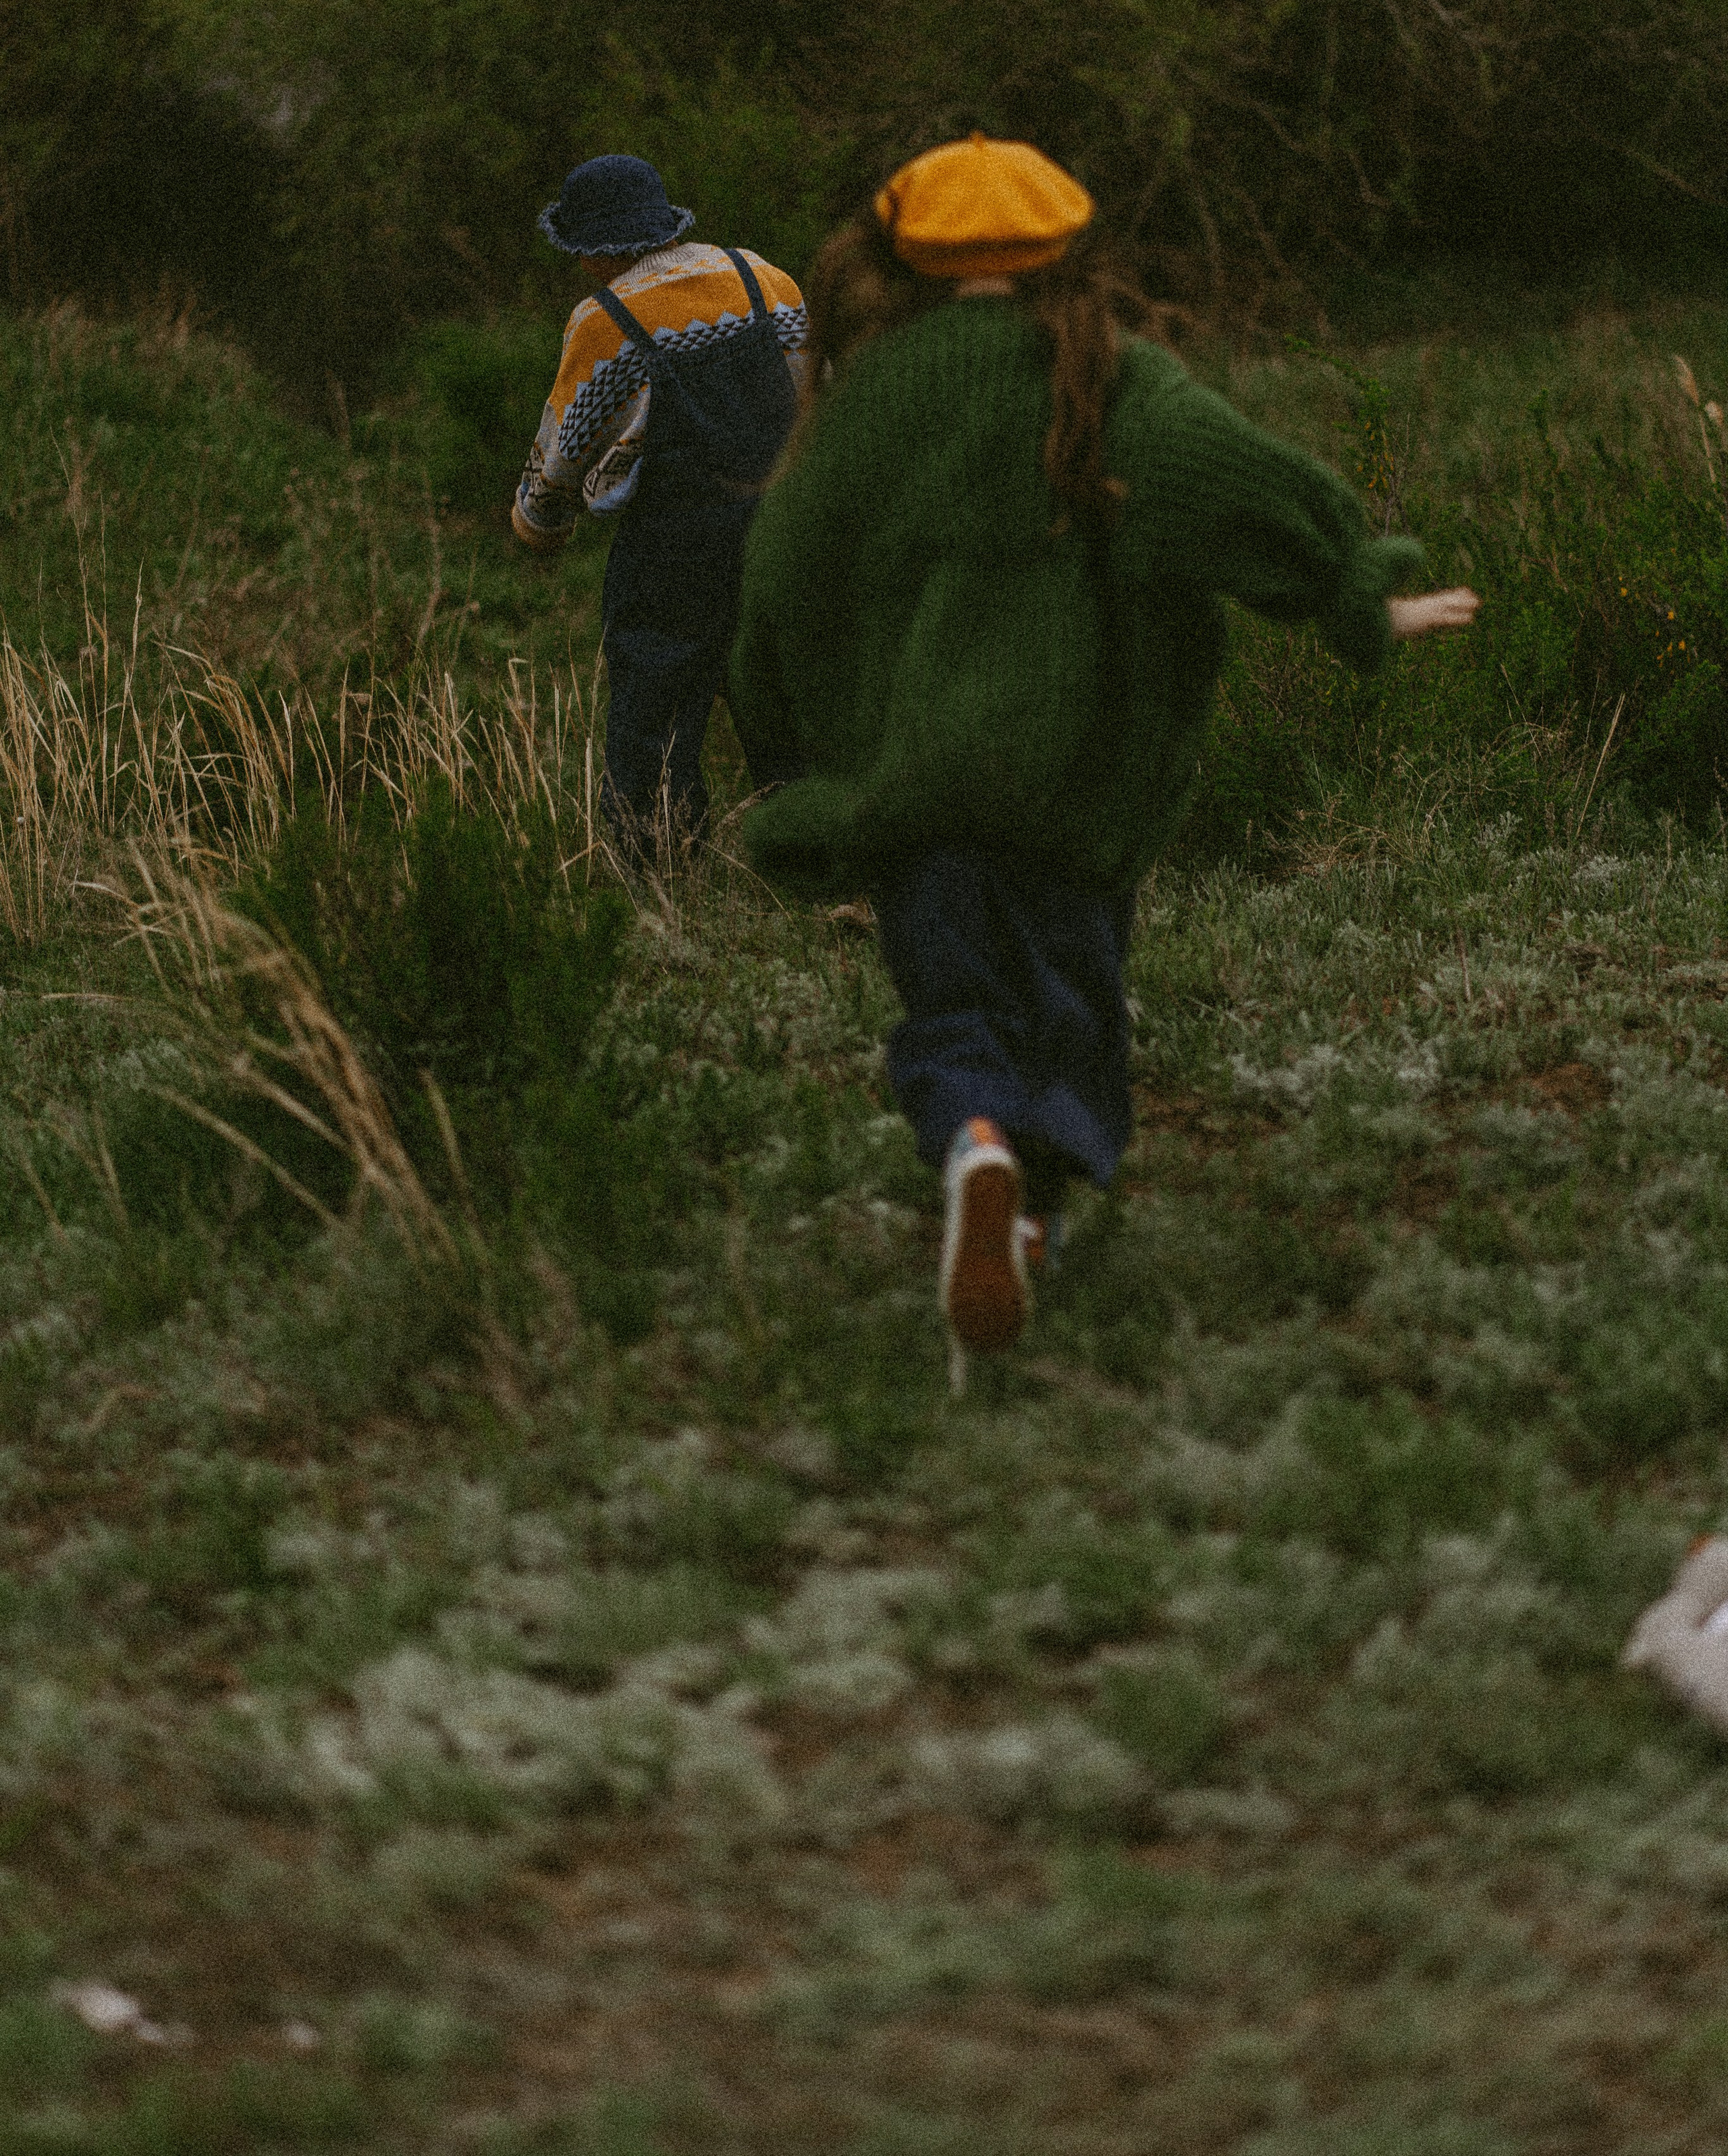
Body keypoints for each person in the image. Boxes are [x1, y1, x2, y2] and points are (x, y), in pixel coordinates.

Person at [729, 134, 1478, 1387]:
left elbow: (781, 584)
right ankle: (1030, 1213)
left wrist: (792, 756)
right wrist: (1354, 596)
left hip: (918, 796)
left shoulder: (863, 399)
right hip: (1075, 790)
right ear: (1065, 251)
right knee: (1071, 1017)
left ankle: (973, 1145)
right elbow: (1230, 488)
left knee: (954, 1006)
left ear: (903, 256)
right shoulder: (1114, 381)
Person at [513, 153, 809, 859]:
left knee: (656, 701)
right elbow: (813, 393)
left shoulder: (602, 321)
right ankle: (816, 853)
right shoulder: (762, 276)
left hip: (678, 546)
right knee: (784, 693)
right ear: (668, 222)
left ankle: (663, 862)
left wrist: (538, 521)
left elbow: (563, 452)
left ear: (586, 251)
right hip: (783, 526)